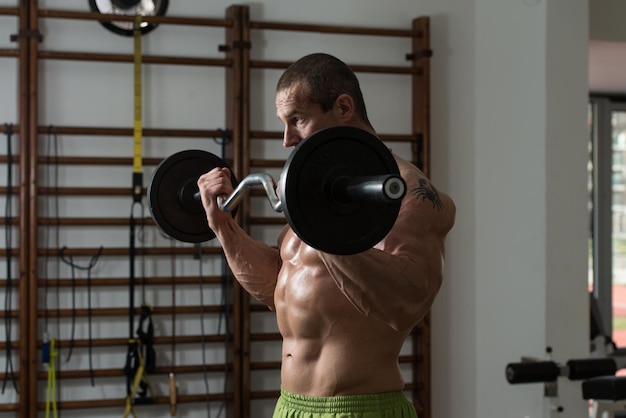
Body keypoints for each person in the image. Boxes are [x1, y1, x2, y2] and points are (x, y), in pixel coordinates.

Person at [197, 53, 456, 418]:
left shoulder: (408, 193)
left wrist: (326, 231)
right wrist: (223, 226)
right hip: (290, 407)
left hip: (359, 408)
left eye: (298, 120)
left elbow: (407, 303)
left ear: (344, 107)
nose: (287, 140)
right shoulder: (318, 193)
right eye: (283, 124)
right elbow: (280, 287)